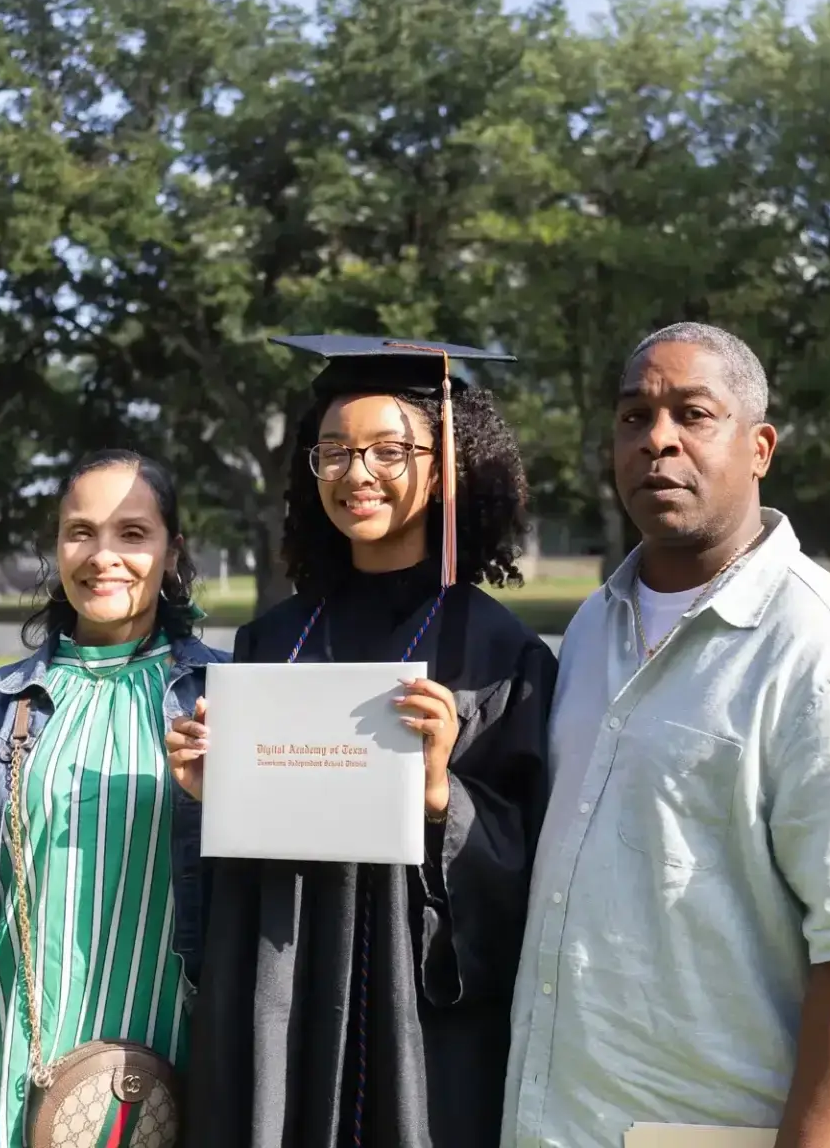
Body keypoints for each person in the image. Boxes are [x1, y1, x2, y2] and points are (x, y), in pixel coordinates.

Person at [500, 323, 830, 1148]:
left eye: (693, 414)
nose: (658, 439)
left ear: (759, 447)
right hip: (574, 1119)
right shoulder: (597, 627)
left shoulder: (823, 653)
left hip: (726, 1128)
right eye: (634, 416)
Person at [167, 335, 557, 1148]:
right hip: (283, 978)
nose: (357, 473)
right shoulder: (274, 638)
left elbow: (536, 866)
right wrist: (217, 787)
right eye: (335, 451)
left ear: (447, 463)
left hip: (414, 1011)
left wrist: (441, 795)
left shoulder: (495, 652)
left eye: (389, 450)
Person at [0, 451, 225, 1148]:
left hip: (168, 1086)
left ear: (172, 552)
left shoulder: (228, 701)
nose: (103, 556)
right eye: (80, 532)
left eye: (133, 534)